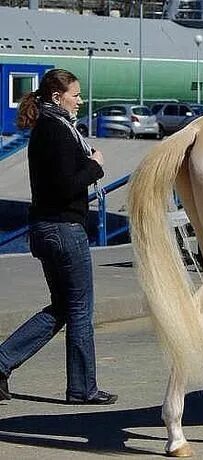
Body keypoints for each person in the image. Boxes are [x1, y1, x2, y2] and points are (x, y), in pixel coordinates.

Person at [0, 69, 117, 405]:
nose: (80, 101)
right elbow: (66, 185)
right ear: (57, 97)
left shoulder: (49, 128)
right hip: (64, 229)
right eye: (75, 95)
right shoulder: (57, 131)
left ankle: (3, 361)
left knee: (65, 307)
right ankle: (82, 388)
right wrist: (95, 165)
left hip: (46, 228)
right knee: (80, 309)